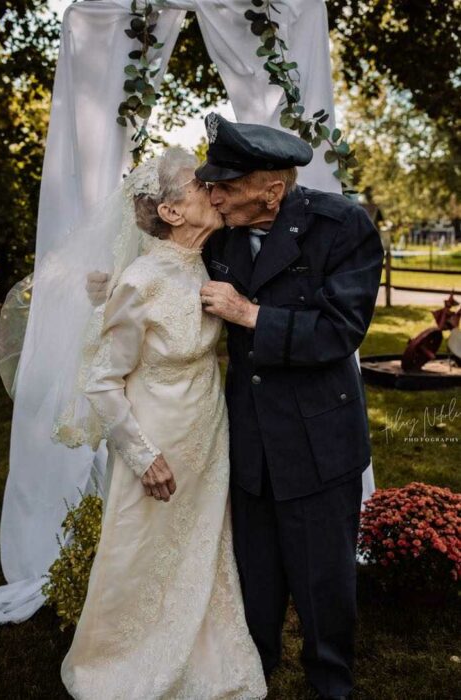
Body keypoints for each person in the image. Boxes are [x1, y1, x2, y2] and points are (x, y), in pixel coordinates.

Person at [60, 147, 267, 700]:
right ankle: (118, 663)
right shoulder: (141, 281)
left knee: (201, 545)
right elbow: (104, 380)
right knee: (141, 550)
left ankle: (203, 652)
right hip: (157, 440)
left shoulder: (206, 260)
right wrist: (141, 454)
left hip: (207, 432)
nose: (215, 192)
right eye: (202, 186)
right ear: (172, 213)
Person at [195, 114, 384, 700]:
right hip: (248, 436)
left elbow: (339, 332)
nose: (213, 194)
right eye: (212, 183)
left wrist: (249, 314)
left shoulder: (343, 226)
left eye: (226, 185)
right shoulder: (219, 232)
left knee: (323, 578)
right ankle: (254, 671)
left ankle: (330, 680)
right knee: (256, 573)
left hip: (317, 439)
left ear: (271, 191)